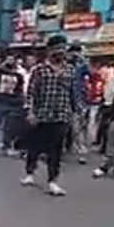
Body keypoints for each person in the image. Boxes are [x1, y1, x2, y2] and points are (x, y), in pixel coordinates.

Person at [21, 36, 74, 196]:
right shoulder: (39, 69)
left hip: (62, 114)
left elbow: (72, 92)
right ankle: (30, 172)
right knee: (35, 146)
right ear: (50, 50)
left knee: (56, 149)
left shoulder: (69, 69)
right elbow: (31, 92)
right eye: (58, 48)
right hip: (41, 114)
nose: (61, 52)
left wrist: (75, 112)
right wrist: (30, 112)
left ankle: (53, 181)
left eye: (63, 48)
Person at [0, 55, 25, 156]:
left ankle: (6, 146)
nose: (10, 61)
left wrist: (18, 99)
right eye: (8, 59)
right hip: (0, 101)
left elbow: (19, 88)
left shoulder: (18, 75)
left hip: (12, 102)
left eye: (12, 60)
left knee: (8, 126)